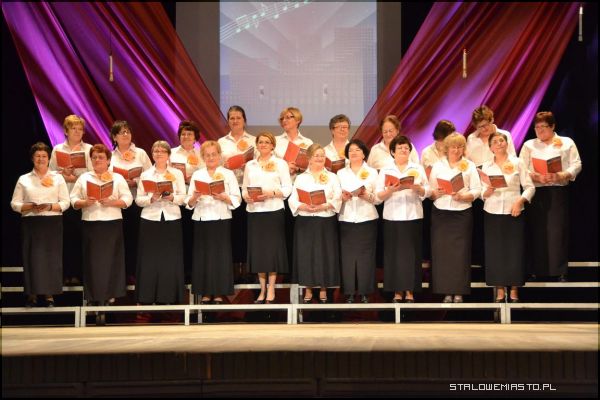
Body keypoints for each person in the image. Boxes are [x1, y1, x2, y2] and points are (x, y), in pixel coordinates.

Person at [70, 144, 132, 323]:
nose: (97, 160)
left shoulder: (117, 177)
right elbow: (73, 199)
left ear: (108, 160)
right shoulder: (84, 177)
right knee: (93, 262)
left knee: (111, 261)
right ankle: (93, 297)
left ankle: (109, 297)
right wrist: (84, 202)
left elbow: (128, 199)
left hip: (112, 223)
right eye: (94, 157)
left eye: (101, 157)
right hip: (91, 223)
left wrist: (112, 202)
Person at [519, 111, 582, 282]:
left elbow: (577, 164)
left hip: (557, 190)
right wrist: (535, 176)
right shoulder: (529, 145)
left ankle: (559, 270)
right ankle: (535, 269)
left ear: (553, 126)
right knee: (536, 229)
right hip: (536, 191)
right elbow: (522, 167)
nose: (540, 130)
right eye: (537, 127)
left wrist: (562, 175)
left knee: (557, 230)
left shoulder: (566, 142)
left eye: (544, 127)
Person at [11, 142, 70, 307]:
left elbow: (66, 202)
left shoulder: (58, 178)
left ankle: (49, 294)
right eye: (37, 156)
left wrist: (50, 206)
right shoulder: (24, 179)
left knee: (51, 258)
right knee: (32, 258)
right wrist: (29, 206)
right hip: (32, 222)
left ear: (49, 158)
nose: (41, 159)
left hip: (52, 222)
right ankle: (32, 294)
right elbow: (14, 204)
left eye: (44, 156)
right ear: (32, 158)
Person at [481, 132, 535, 302]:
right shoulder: (486, 166)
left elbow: (530, 187)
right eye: (495, 142)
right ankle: (499, 288)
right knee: (495, 251)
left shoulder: (518, 162)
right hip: (492, 211)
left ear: (507, 143)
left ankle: (514, 289)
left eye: (501, 140)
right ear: (490, 147)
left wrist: (520, 201)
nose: (499, 143)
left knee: (514, 250)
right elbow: (481, 192)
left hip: (514, 210)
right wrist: (487, 191)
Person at [376, 135, 430, 303]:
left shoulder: (417, 168)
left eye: (406, 148)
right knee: (393, 255)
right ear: (393, 151)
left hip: (413, 215)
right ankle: (397, 291)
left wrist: (418, 188)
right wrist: (390, 190)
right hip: (392, 216)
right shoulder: (386, 169)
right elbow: (378, 196)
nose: (403, 150)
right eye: (400, 148)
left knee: (412, 255)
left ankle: (410, 291)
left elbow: (428, 190)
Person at [428, 133, 481, 303]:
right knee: (442, 253)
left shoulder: (469, 165)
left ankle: (458, 291)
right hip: (441, 213)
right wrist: (437, 192)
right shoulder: (438, 165)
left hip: (461, 213)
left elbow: (477, 189)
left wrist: (464, 196)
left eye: (460, 147)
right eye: (453, 147)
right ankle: (445, 291)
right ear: (447, 148)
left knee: (460, 253)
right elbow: (431, 191)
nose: (456, 150)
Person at [186, 141, 241, 304]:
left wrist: (225, 197)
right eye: (207, 155)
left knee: (220, 256)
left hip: (221, 218)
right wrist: (195, 197)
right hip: (202, 218)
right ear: (202, 157)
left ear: (219, 156)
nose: (210, 158)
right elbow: (188, 202)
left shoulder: (228, 174)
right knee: (203, 256)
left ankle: (218, 292)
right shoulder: (197, 175)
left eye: (214, 154)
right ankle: (205, 292)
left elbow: (237, 198)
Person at [241, 132, 292, 303]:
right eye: (260, 142)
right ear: (256, 145)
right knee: (259, 252)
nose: (263, 144)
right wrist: (246, 196)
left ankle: (271, 288)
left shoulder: (280, 164)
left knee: (272, 251)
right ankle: (262, 289)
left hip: (273, 211)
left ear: (272, 146)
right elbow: (244, 188)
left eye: (267, 142)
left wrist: (272, 193)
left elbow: (287, 189)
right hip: (255, 212)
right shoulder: (250, 165)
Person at [288, 144, 342, 303]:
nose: (319, 158)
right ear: (309, 158)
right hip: (306, 220)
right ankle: (308, 288)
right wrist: (302, 206)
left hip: (325, 220)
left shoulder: (332, 176)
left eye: (322, 155)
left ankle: (324, 288)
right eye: (316, 155)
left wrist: (324, 206)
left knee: (324, 254)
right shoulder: (301, 177)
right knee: (307, 254)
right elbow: (293, 198)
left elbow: (338, 197)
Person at [135, 141, 186, 305]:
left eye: (162, 151)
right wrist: (151, 198)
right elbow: (138, 200)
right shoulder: (146, 175)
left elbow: (183, 197)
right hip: (150, 218)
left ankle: (168, 296)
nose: (159, 154)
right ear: (152, 154)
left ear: (168, 155)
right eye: (156, 151)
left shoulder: (177, 173)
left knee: (170, 258)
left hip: (171, 217)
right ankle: (147, 297)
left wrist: (172, 197)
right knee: (150, 258)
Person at [466, 106, 517, 267]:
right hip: (479, 184)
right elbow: (468, 161)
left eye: (486, 125)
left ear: (492, 120)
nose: (484, 129)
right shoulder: (471, 138)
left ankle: (504, 263)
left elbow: (512, 159)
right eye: (480, 127)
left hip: (500, 182)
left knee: (501, 227)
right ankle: (484, 263)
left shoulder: (503, 135)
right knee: (481, 226)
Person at [49, 115, 93, 286]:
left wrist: (75, 177)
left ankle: (80, 274)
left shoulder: (89, 149)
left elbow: (94, 173)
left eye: (80, 129)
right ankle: (66, 274)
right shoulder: (57, 149)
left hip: (83, 199)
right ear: (66, 131)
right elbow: (51, 174)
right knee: (66, 238)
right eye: (73, 128)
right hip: (64, 198)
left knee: (82, 237)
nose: (77, 131)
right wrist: (63, 174)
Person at [337, 139, 379, 303]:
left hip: (367, 217)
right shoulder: (341, 173)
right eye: (350, 150)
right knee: (347, 257)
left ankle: (364, 292)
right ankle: (349, 292)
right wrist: (343, 197)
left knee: (366, 256)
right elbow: (335, 196)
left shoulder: (372, 172)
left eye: (357, 150)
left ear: (364, 153)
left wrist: (365, 194)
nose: (353, 153)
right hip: (346, 217)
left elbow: (377, 198)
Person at [109, 121, 152, 284]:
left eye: (128, 131)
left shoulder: (140, 153)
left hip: (136, 201)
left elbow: (151, 175)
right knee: (120, 239)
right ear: (114, 137)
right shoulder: (110, 156)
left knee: (136, 238)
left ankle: (135, 273)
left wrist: (136, 181)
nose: (126, 134)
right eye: (122, 132)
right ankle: (121, 275)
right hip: (117, 203)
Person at [218, 106, 255, 280]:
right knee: (231, 229)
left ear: (244, 120)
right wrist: (225, 166)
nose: (235, 121)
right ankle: (232, 269)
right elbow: (214, 165)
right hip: (229, 191)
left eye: (238, 118)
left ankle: (247, 268)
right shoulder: (221, 142)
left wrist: (249, 164)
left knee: (247, 229)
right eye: (231, 118)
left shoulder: (254, 140)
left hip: (248, 189)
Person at [170, 120, 204, 285]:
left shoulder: (202, 154)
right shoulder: (171, 153)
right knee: (180, 236)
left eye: (189, 134)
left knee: (194, 236)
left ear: (195, 137)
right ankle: (181, 272)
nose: (186, 136)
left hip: (197, 199)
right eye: (183, 134)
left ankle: (193, 271)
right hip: (177, 200)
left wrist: (193, 179)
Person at [274, 107, 314, 180]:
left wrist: (298, 169)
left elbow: (313, 166)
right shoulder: (275, 141)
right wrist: (285, 167)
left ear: (298, 120)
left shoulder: (308, 142)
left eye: (288, 117)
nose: (284, 120)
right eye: (282, 119)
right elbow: (269, 163)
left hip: (302, 182)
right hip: (279, 182)